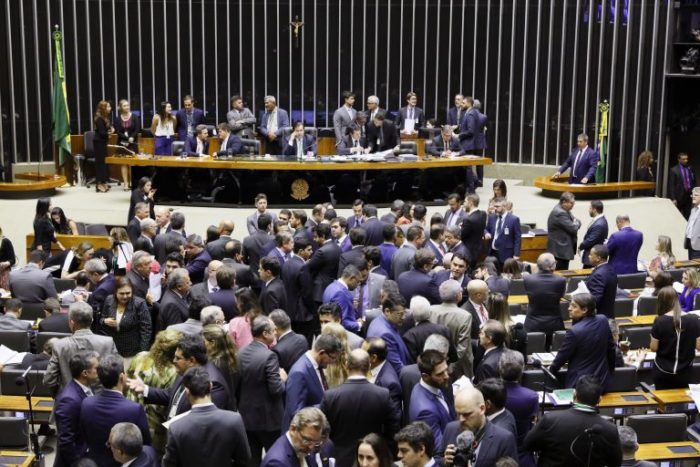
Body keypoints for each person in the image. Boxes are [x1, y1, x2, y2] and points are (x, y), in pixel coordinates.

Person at [320, 349, 400, 466]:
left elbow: (323, 432)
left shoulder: (330, 396)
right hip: (373, 459)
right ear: (368, 367)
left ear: (346, 365)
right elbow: (393, 429)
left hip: (340, 460)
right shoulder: (383, 395)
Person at [523, 375, 622, 466]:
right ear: (599, 400)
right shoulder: (610, 429)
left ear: (574, 394)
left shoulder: (550, 420)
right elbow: (615, 463)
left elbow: (528, 445)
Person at [126, 334, 231, 418]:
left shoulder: (214, 385)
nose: (174, 361)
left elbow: (206, 423)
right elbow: (172, 395)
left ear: (191, 360)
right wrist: (145, 389)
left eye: (178, 358)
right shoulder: (186, 370)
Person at [162, 367, 250, 467]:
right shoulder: (234, 420)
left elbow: (169, 464)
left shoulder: (176, 428)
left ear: (187, 392)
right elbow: (244, 459)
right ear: (210, 386)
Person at [80, 354, 151, 467]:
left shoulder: (86, 403)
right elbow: (145, 443)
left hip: (94, 462)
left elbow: (83, 436)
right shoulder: (134, 409)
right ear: (122, 377)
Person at [238, 316, 287, 464]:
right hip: (268, 420)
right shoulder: (269, 356)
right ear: (265, 333)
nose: (275, 333)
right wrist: (283, 378)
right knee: (275, 458)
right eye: (273, 330)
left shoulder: (240, 352)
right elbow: (276, 389)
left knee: (252, 459)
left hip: (246, 417)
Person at [126, 329, 182, 455]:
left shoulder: (140, 357)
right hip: (156, 427)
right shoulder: (174, 372)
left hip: (132, 417)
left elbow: (127, 382)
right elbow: (171, 400)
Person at [44, 301, 118, 392]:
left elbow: (49, 380)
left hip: (69, 400)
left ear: (71, 322)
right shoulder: (108, 342)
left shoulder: (59, 346)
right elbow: (116, 375)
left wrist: (61, 396)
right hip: (101, 402)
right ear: (92, 320)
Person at [548, 293, 616, 389]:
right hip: (602, 382)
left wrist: (550, 371)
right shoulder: (603, 320)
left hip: (580, 385)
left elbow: (562, 357)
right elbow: (611, 349)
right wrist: (610, 371)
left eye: (574, 306)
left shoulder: (574, 331)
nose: (569, 308)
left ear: (584, 310)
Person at [442, 387, 518, 467]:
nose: (461, 419)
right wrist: (445, 462)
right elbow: (437, 458)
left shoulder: (504, 439)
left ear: (482, 408)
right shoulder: (450, 428)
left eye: (466, 414)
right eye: (458, 414)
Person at [282, 333, 342, 429]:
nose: (333, 362)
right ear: (322, 353)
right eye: (332, 357)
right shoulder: (299, 373)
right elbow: (297, 413)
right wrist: (326, 405)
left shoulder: (318, 365)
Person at [54, 350, 99, 467]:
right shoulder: (68, 400)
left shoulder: (88, 387)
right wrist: (78, 463)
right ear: (85, 373)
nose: (99, 371)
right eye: (96, 368)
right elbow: (66, 441)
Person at [651, 286, 700, 389]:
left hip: (662, 371)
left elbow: (654, 348)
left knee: (663, 402)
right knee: (682, 403)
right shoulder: (694, 320)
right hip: (685, 372)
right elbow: (699, 346)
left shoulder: (659, 321)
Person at [408, 349, 455, 450]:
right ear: (425, 376)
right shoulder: (426, 412)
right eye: (440, 374)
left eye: (446, 370)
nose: (446, 376)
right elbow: (439, 449)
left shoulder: (427, 385)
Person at [499, 350, 539, 467]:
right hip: (522, 452)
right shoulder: (531, 396)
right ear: (522, 370)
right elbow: (534, 423)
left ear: (500, 369)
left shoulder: (491, 393)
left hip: (497, 449)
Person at [99, 276, 152, 357]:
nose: (125, 296)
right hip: (112, 350)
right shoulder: (109, 300)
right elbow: (102, 318)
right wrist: (104, 321)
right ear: (115, 292)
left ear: (132, 292)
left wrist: (142, 352)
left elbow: (146, 330)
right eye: (121, 293)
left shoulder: (139, 303)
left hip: (132, 351)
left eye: (128, 293)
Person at [429, 280, 472, 377]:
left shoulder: (430, 310)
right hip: (458, 367)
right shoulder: (465, 315)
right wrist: (449, 365)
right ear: (458, 296)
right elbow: (462, 346)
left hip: (433, 362)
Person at [261, 407, 330, 466]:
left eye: (315, 442)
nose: (311, 447)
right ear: (293, 429)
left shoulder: (302, 447)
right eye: (306, 440)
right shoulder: (277, 463)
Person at [202, 323, 240, 410]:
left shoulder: (213, 365)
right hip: (232, 406)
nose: (202, 344)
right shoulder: (233, 358)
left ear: (213, 343)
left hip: (218, 406)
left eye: (204, 341)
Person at [546, 192, 581, 270]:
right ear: (564, 202)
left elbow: (577, 221)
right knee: (561, 274)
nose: (573, 205)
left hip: (561, 250)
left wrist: (576, 222)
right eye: (571, 203)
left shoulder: (564, 209)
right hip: (560, 252)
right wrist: (576, 222)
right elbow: (573, 228)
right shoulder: (560, 212)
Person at [484, 197, 521, 266]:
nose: (495, 208)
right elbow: (485, 229)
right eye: (494, 206)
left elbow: (517, 239)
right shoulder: (491, 217)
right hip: (492, 253)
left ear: (504, 207)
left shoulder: (514, 219)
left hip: (506, 254)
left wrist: (516, 254)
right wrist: (486, 233)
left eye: (497, 206)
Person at [113, 99, 141, 188]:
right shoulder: (117, 119)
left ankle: (132, 182)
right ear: (121, 107)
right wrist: (127, 138)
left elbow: (137, 129)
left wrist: (132, 137)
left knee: (132, 163)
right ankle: (125, 183)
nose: (127, 107)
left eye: (128, 105)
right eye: (125, 106)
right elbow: (118, 131)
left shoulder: (135, 117)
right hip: (122, 143)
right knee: (124, 163)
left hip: (133, 143)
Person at [585, 244, 618, 319]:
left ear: (598, 258)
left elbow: (595, 300)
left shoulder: (598, 275)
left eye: (591, 254)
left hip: (598, 317)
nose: (588, 256)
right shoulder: (610, 269)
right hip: (608, 314)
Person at [474, 319, 508, 384]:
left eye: (481, 333)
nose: (479, 335)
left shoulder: (487, 366)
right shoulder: (510, 354)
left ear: (489, 339)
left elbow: (486, 390)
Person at [92, 100, 114, 192]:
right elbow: (102, 133)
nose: (110, 108)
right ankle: (99, 184)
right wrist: (109, 133)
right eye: (108, 107)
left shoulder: (104, 118)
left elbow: (105, 129)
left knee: (103, 163)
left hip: (102, 142)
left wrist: (110, 130)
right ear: (103, 109)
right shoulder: (99, 119)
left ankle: (103, 182)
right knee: (100, 163)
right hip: (99, 143)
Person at [578, 200, 608, 268]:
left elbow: (591, 240)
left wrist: (580, 246)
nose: (588, 210)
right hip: (592, 257)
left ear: (594, 209)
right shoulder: (599, 221)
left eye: (590, 208)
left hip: (593, 258)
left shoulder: (599, 224)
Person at [461, 193, 488, 269]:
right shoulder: (483, 214)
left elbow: (461, 236)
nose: (463, 204)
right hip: (479, 249)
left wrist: (461, 227)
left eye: (465, 202)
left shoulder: (468, 219)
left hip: (468, 251)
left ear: (470, 203)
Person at [668, 152, 695, 219]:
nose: (686, 160)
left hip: (688, 195)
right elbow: (671, 185)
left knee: (687, 215)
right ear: (679, 160)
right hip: (679, 196)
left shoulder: (690, 168)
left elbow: (693, 180)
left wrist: (693, 191)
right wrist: (673, 198)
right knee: (677, 215)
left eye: (686, 159)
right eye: (683, 159)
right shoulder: (674, 170)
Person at [686, 187, 700, 259]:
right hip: (690, 243)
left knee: (696, 268)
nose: (693, 197)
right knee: (690, 266)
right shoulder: (693, 210)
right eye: (692, 195)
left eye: (696, 195)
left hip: (698, 245)